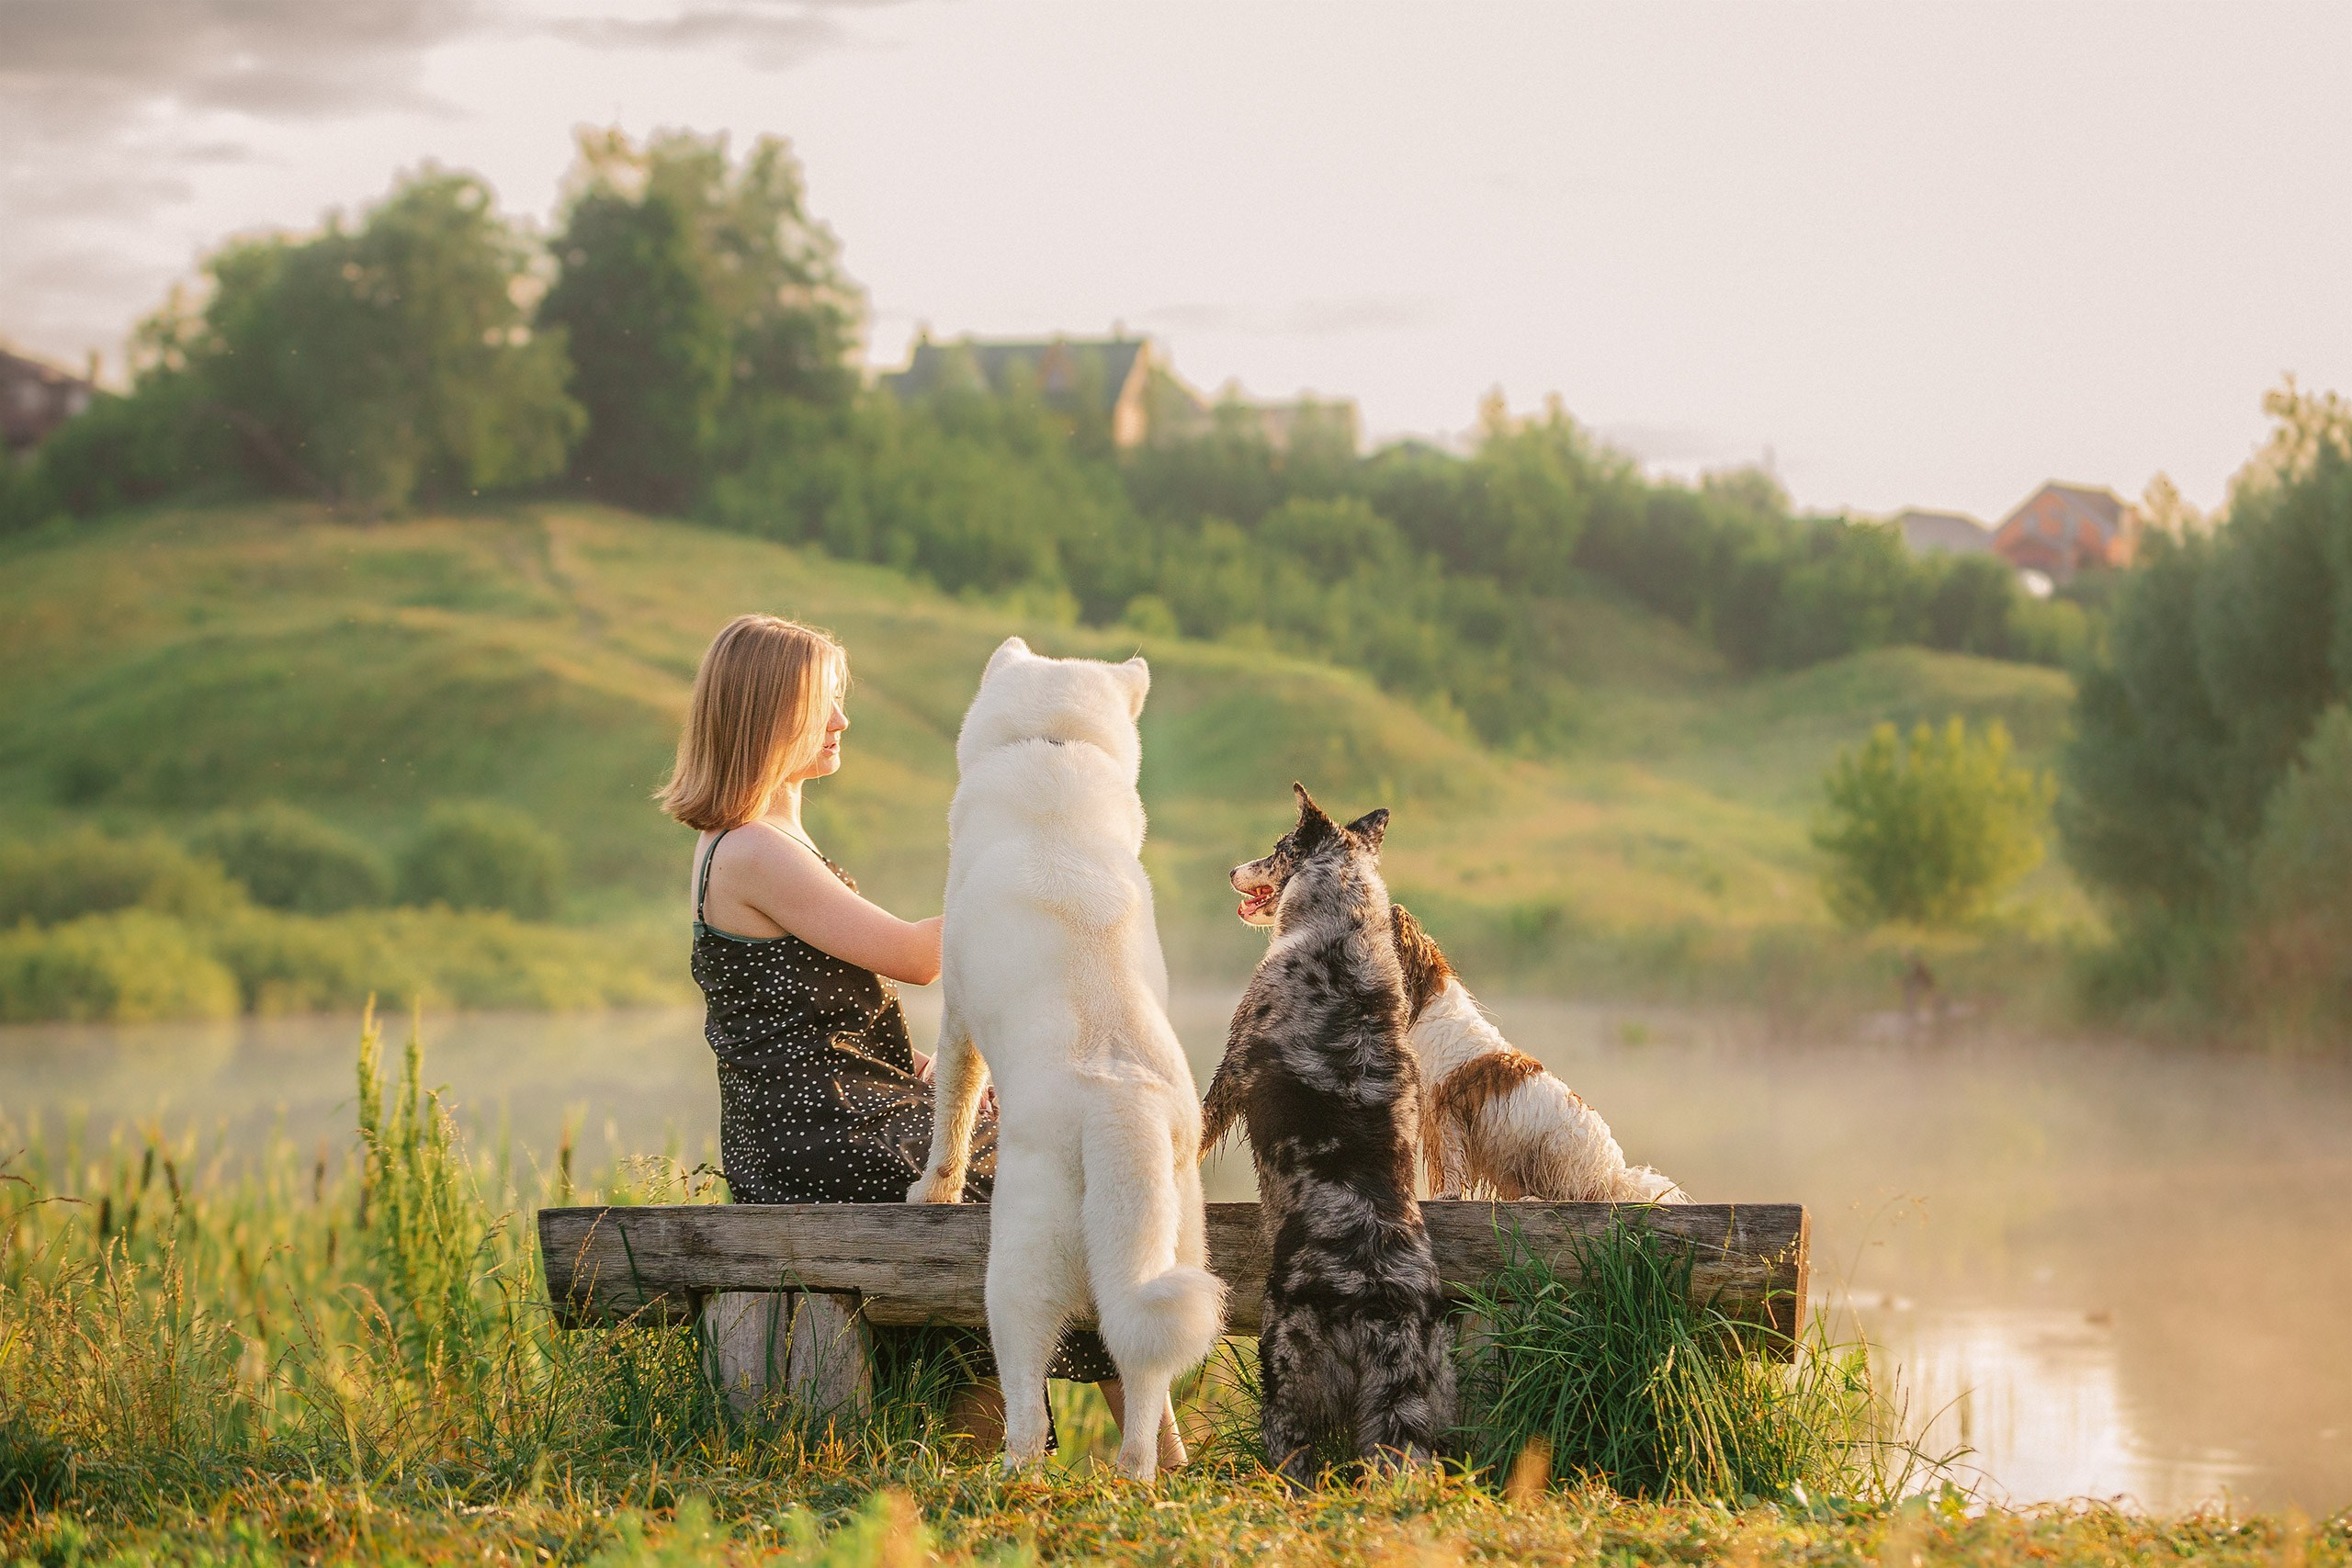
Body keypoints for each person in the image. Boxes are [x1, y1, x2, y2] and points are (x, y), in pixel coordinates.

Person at [658, 613, 1172, 1461]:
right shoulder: (751, 850)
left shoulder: (774, 838)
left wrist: (926, 1067)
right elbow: (910, 956)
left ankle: (1055, 1431)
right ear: (769, 713)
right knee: (1042, 1171)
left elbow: (816, 1016)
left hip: (837, 1110)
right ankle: (1085, 1439)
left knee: (1044, 1148)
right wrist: (1033, 875)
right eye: (824, 702)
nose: (841, 721)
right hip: (814, 1138)